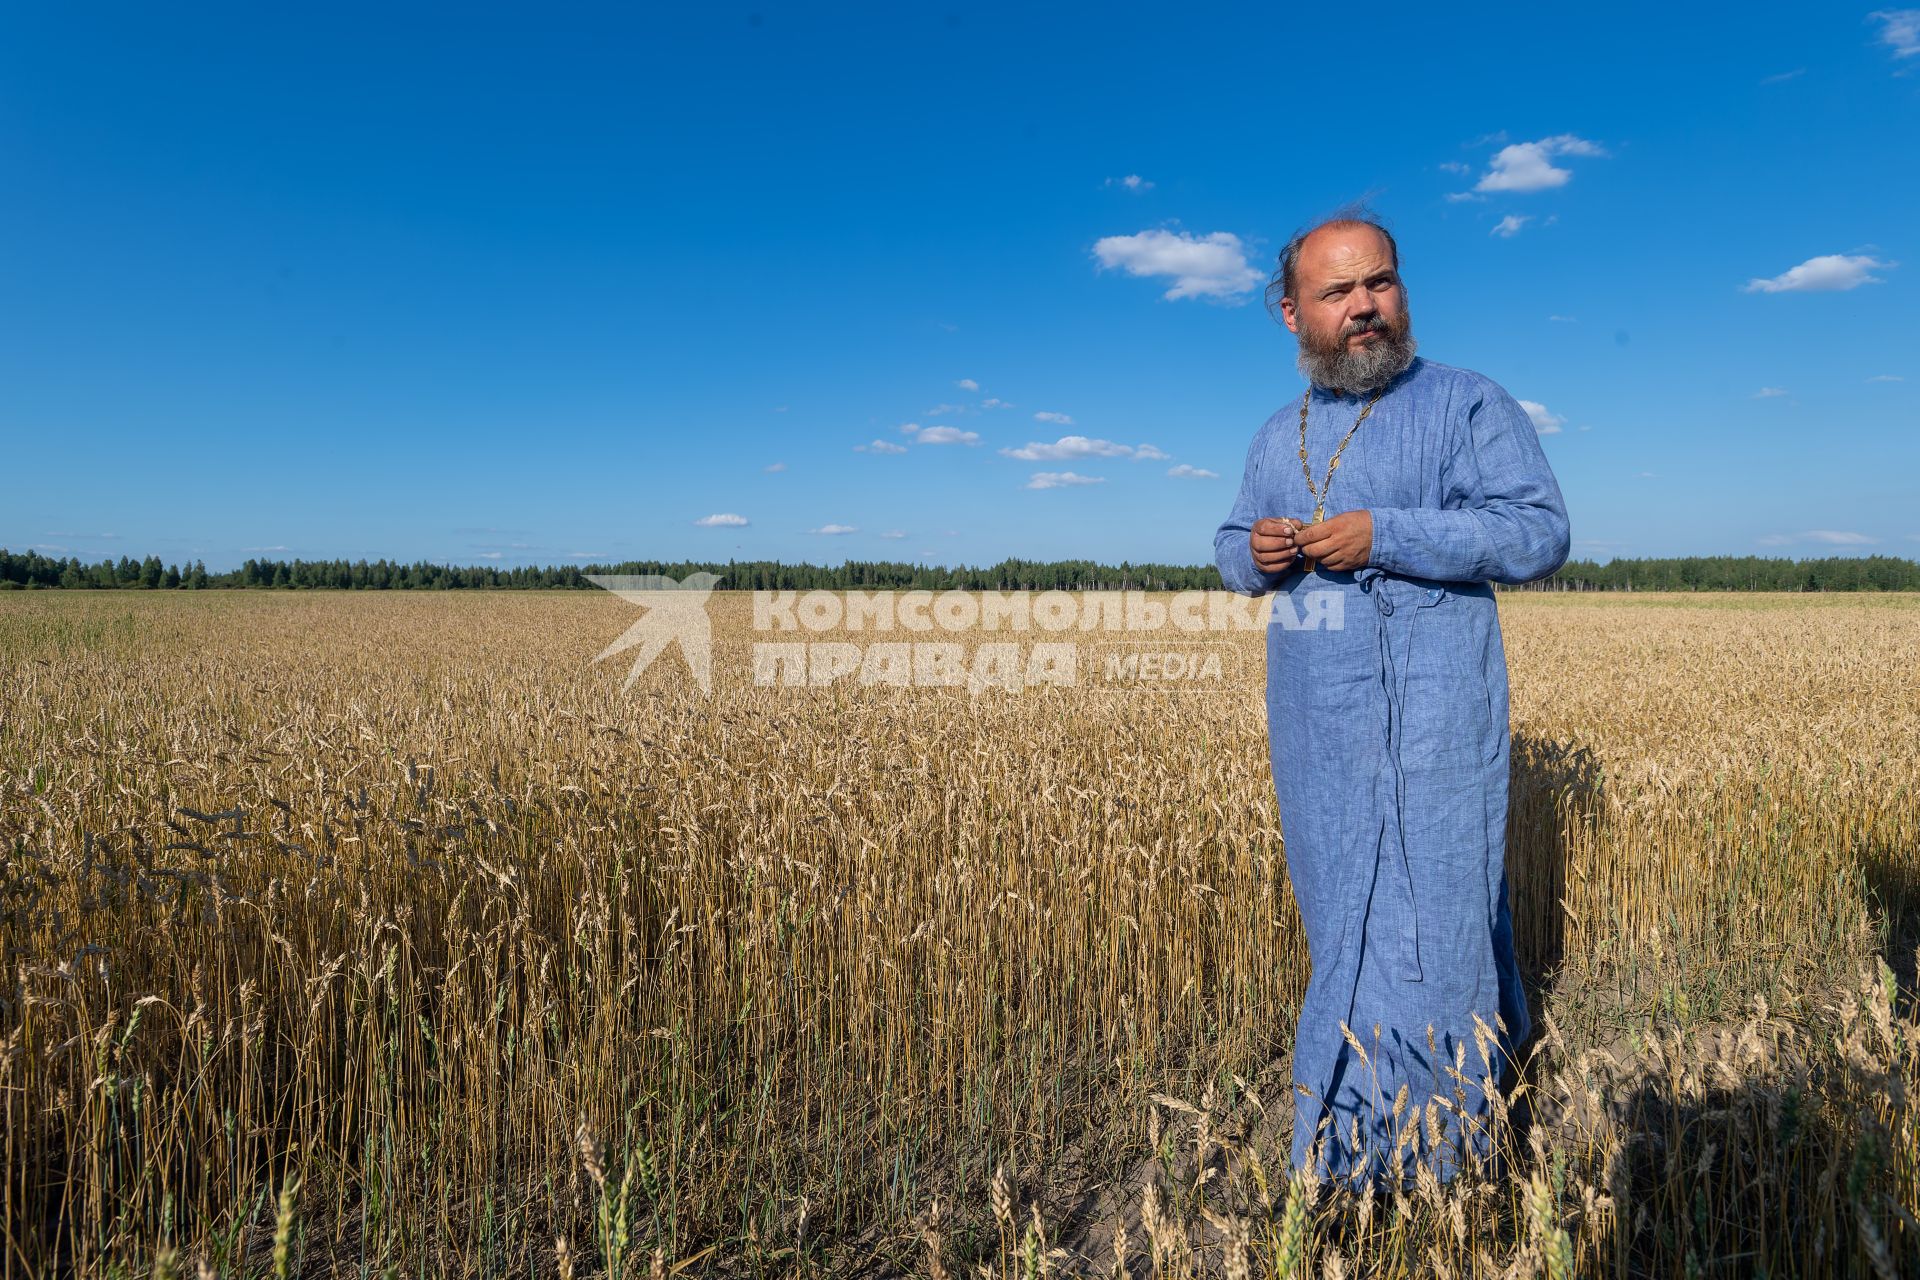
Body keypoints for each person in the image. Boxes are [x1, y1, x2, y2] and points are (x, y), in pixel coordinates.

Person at [1213, 211, 1570, 1189]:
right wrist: (1259, 552)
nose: (1365, 306)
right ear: (1293, 312)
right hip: (1315, 722)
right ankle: (1349, 1155)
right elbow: (1230, 546)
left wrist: (1389, 534)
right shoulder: (1271, 433)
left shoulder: (1468, 403)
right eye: (1338, 292)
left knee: (1436, 916)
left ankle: (1442, 1163)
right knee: (1345, 922)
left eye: (1381, 283)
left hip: (1437, 715)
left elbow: (1539, 534)